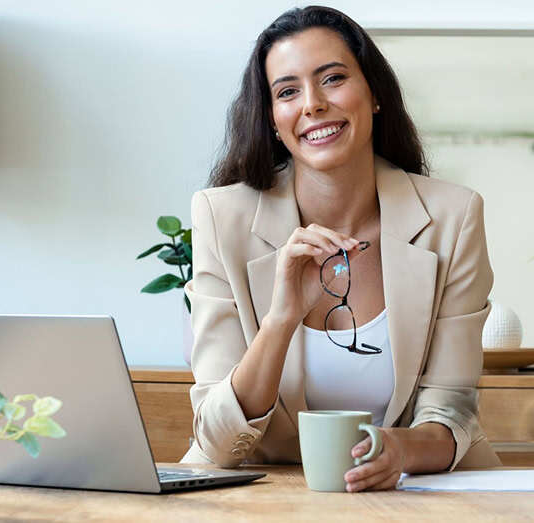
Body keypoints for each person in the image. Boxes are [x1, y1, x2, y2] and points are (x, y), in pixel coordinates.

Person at [180, 6, 501, 491]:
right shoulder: (221, 217)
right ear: (272, 118)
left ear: (373, 94)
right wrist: (282, 319)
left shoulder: (453, 217)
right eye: (287, 91)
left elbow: (451, 411)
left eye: (332, 79)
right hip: (265, 494)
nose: (311, 104)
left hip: (417, 490)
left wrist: (396, 448)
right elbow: (220, 442)